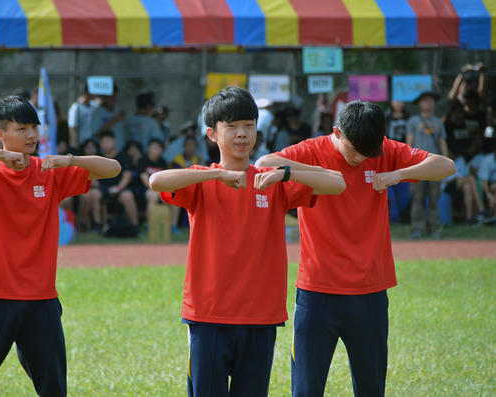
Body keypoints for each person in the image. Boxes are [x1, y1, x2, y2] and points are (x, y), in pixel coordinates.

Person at [150, 86, 346, 397]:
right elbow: (156, 181)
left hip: (261, 316)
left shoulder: (271, 180)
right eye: (232, 126)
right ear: (212, 134)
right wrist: (217, 176)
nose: (242, 134)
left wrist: (285, 173)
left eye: (249, 125)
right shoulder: (201, 180)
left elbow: (337, 184)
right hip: (208, 315)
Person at [256, 100, 455, 397]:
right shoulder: (312, 149)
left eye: (367, 152)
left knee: (371, 388)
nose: (360, 157)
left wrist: (398, 174)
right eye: (353, 149)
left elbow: (446, 166)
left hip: (370, 292)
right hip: (317, 292)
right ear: (336, 132)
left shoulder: (383, 150)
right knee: (306, 389)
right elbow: (264, 163)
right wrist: (312, 173)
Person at [0, 95, 120, 397]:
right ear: (0, 134)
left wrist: (70, 160)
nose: (32, 136)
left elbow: (113, 168)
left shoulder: (49, 171)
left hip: (41, 299)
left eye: (34, 127)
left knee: (54, 389)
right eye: (22, 128)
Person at [406, 91, 449, 240]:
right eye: (425, 101)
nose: (429, 103)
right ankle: (417, 228)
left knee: (434, 197)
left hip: (435, 164)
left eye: (431, 100)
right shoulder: (413, 121)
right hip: (418, 164)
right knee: (417, 197)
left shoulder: (438, 122)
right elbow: (409, 142)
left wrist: (446, 161)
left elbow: (442, 142)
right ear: (419, 103)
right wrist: (408, 162)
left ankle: (434, 228)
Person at [91, 130, 140, 229]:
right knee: (94, 194)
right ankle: (97, 224)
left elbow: (127, 175)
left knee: (128, 196)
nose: (106, 145)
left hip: (120, 186)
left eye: (108, 142)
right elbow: (92, 174)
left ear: (114, 142)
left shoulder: (123, 156)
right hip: (103, 187)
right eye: (103, 142)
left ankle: (135, 226)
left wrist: (119, 188)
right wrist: (95, 182)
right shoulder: (98, 157)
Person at [137, 138, 168, 228]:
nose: (155, 151)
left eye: (157, 148)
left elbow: (165, 178)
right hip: (144, 189)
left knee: (171, 196)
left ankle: (170, 226)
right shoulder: (143, 160)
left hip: (160, 188)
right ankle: (150, 225)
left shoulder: (163, 162)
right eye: (153, 148)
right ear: (148, 149)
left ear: (161, 151)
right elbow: (145, 180)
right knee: (153, 195)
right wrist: (157, 190)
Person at [94, 86, 126, 150]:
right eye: (111, 98)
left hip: (119, 149)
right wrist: (113, 120)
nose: (113, 100)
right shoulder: (97, 112)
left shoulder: (116, 108)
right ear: (104, 97)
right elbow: (97, 133)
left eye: (115, 97)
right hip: (104, 152)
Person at [68, 83, 96, 149]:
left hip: (92, 143)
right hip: (81, 144)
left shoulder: (94, 106)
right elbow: (72, 128)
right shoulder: (76, 107)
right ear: (86, 92)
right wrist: (73, 146)